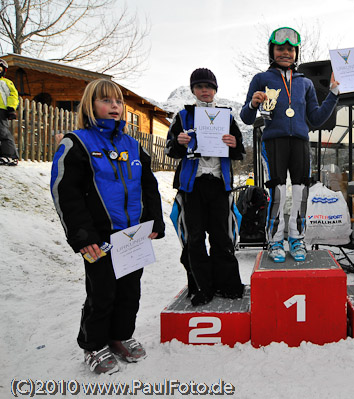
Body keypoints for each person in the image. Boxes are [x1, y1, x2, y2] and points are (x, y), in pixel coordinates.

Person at [50, 79, 165, 375]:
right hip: (98, 238)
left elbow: (149, 186)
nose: (114, 106)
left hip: (133, 235)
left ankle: (120, 335)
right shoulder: (76, 143)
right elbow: (66, 193)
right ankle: (93, 344)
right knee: (102, 292)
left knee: (130, 291)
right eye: (105, 100)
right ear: (90, 106)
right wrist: (82, 235)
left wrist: (154, 221)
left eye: (117, 101)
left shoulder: (133, 145)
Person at [240, 27, 339, 263]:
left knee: (300, 192)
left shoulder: (305, 83)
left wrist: (334, 93)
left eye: (290, 49)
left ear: (296, 53)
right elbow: (245, 117)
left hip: (300, 142)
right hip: (273, 141)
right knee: (277, 192)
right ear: (271, 52)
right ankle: (275, 240)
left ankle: (297, 238)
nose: (285, 52)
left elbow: (315, 118)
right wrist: (253, 104)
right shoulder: (261, 79)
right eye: (280, 48)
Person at [166, 67, 245, 306]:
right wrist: (179, 142)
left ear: (215, 90)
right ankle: (201, 287)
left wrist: (233, 143)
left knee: (222, 237)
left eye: (209, 87)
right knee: (195, 239)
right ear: (193, 90)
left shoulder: (227, 116)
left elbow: (239, 150)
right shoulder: (182, 116)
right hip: (193, 185)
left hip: (220, 184)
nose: (205, 91)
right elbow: (170, 148)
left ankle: (228, 285)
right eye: (200, 87)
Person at [0, 58, 20, 166]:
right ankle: (3, 154)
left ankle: (11, 156)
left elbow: (13, 95)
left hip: (2, 109)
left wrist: (11, 108)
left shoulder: (6, 82)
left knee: (3, 132)